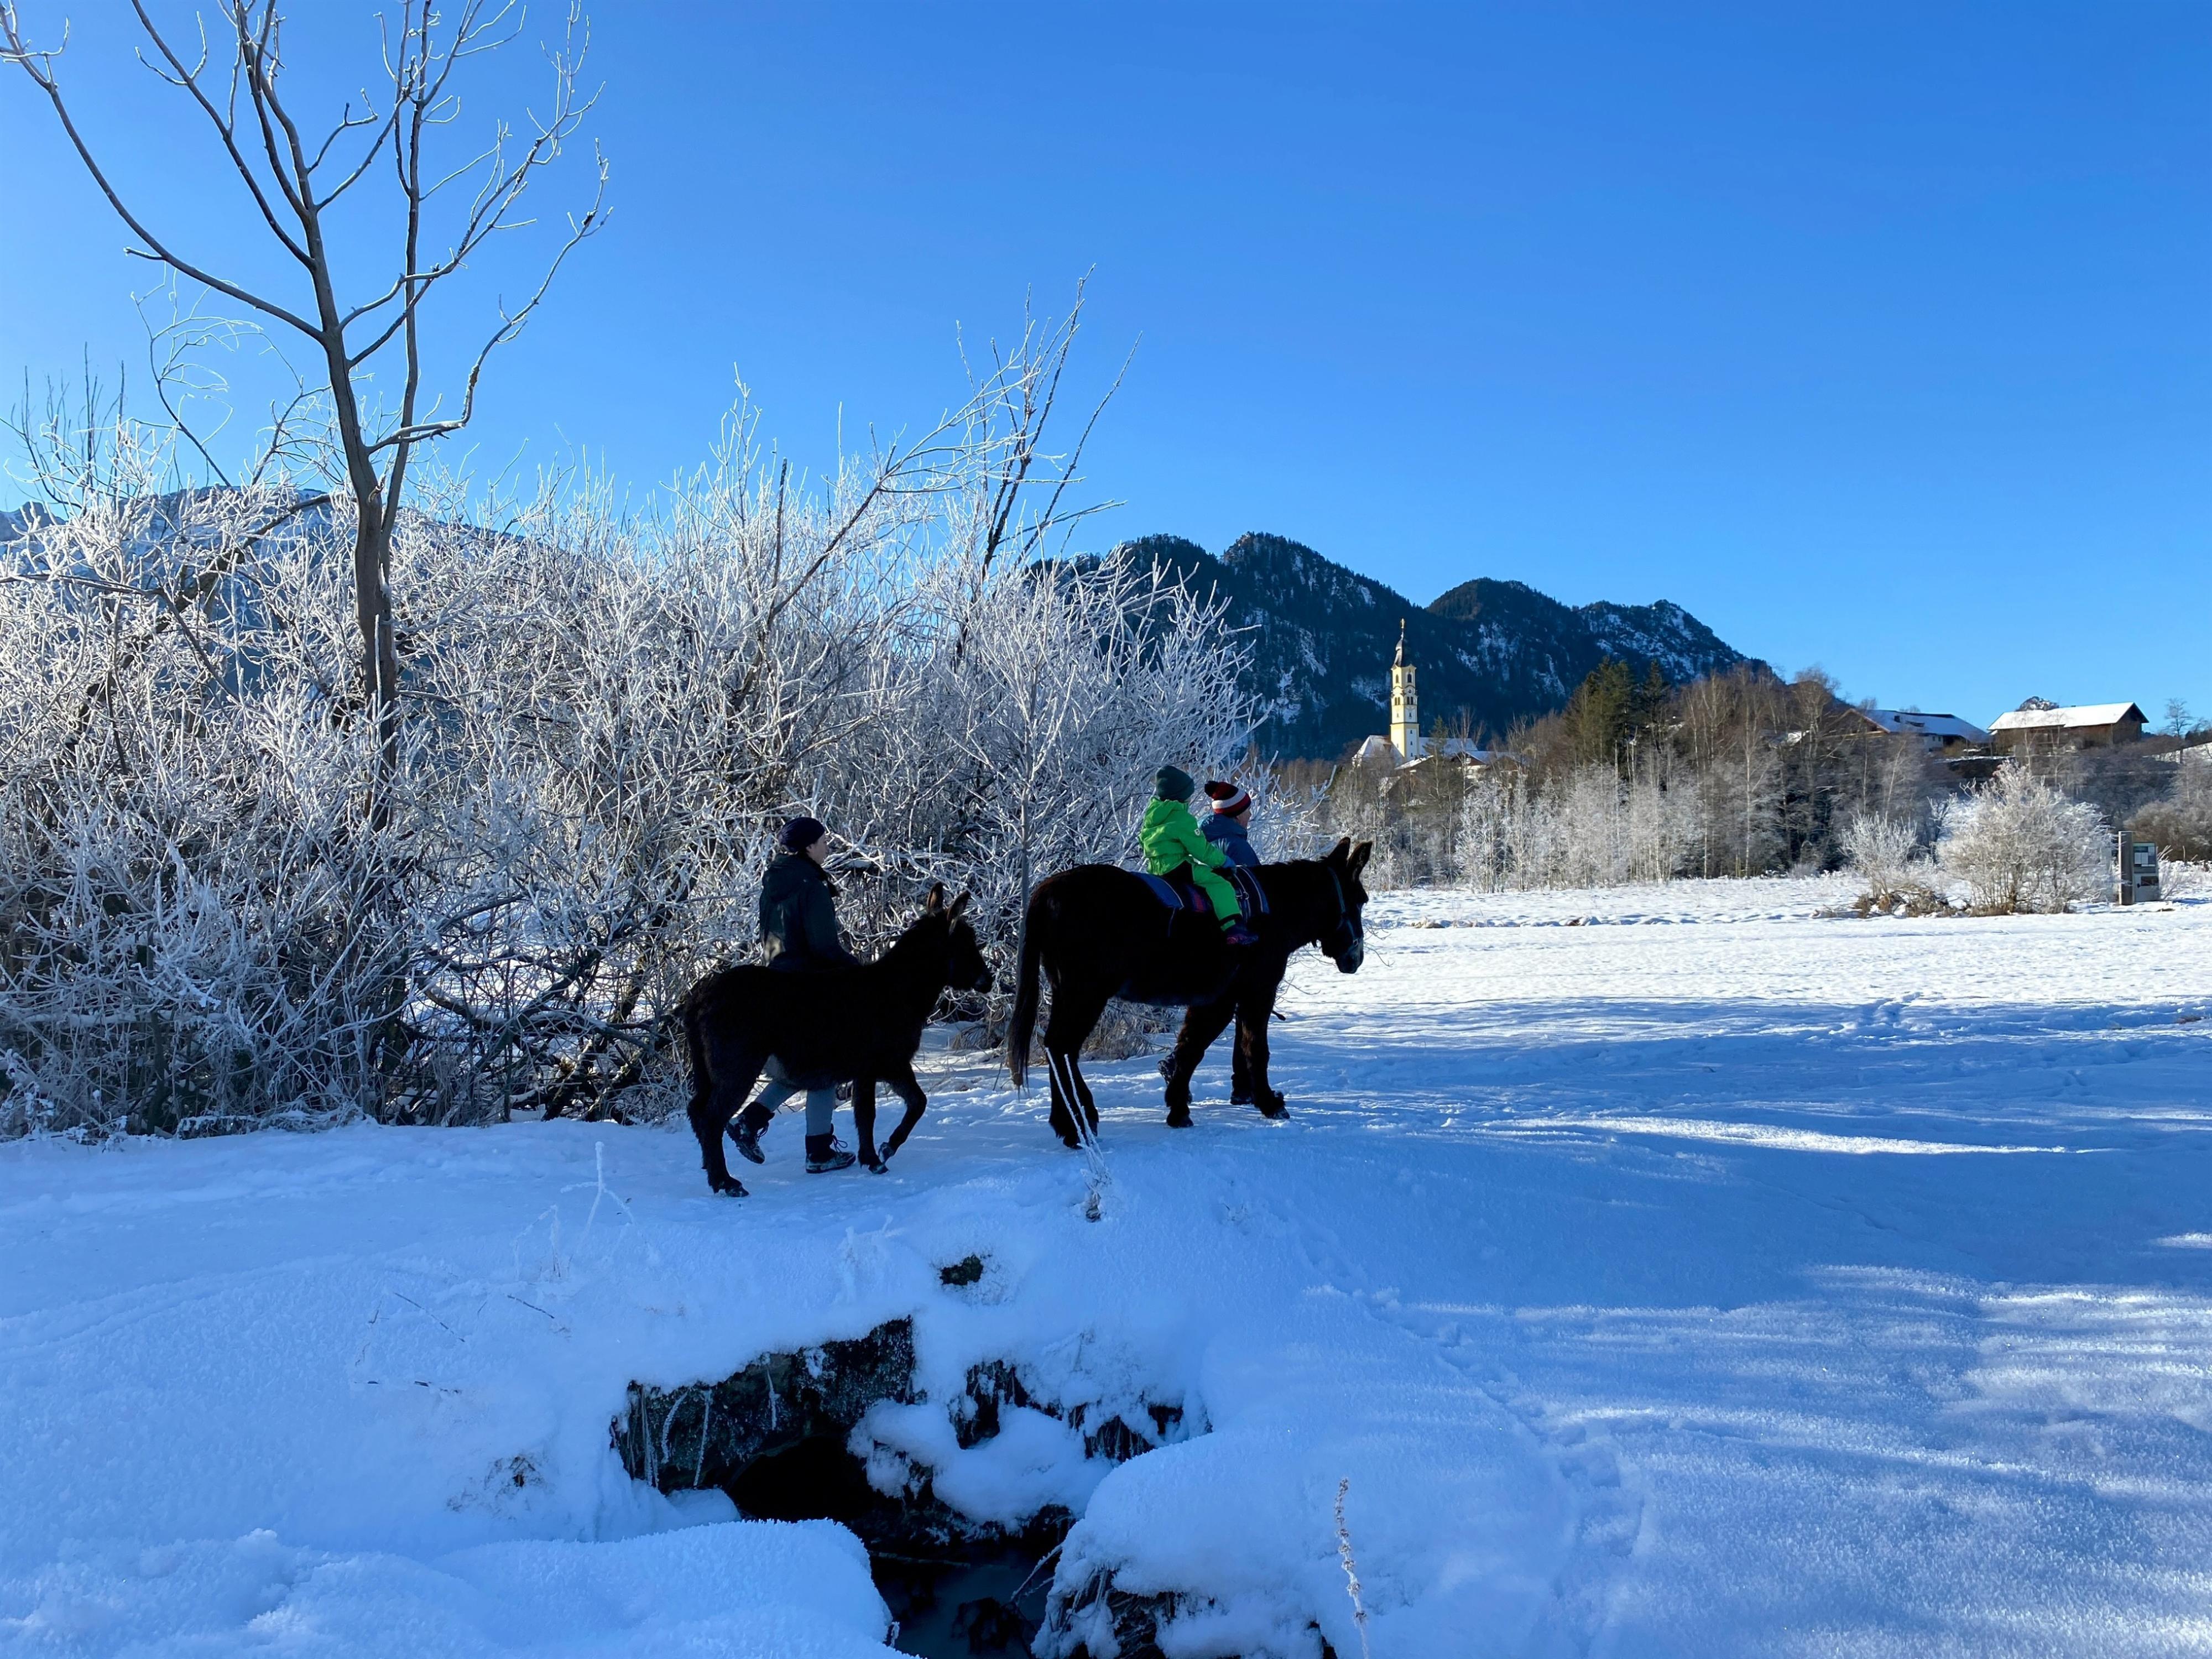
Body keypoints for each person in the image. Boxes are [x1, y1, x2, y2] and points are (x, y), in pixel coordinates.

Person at [730, 815, 859, 1172]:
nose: (828, 847)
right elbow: (823, 945)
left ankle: (750, 1124)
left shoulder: (772, 884)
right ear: (808, 847)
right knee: (825, 1065)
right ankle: (818, 1152)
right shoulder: (811, 886)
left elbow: (768, 940)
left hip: (777, 984)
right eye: (823, 841)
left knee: (803, 1066)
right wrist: (854, 970)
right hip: (811, 989)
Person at [1142, 766, 1258, 947]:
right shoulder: (1183, 819)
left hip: (1156, 868)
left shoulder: (1153, 816)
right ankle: (1233, 928)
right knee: (1219, 884)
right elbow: (1201, 850)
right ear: (1181, 795)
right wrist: (1223, 862)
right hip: (1177, 866)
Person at [1201, 780, 1261, 868]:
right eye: (1248, 810)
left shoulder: (1198, 838)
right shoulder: (1238, 847)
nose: (1250, 815)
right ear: (1238, 815)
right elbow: (1251, 880)